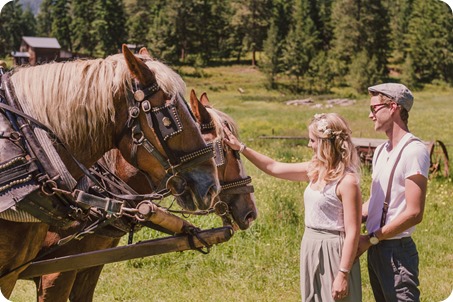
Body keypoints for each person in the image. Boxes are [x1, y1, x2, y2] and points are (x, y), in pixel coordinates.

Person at [224, 113, 362, 301]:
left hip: (334, 248)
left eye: (312, 140)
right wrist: (241, 148)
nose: (308, 145)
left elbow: (352, 232)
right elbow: (274, 167)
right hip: (310, 243)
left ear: (325, 143)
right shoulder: (315, 170)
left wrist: (343, 273)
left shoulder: (347, 181)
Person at [356, 83, 430, 301]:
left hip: (396, 251)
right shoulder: (381, 150)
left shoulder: (414, 151)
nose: (370, 115)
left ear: (394, 107)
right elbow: (377, 201)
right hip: (376, 249)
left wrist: (371, 239)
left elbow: (414, 213)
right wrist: (349, 219)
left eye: (374, 109)